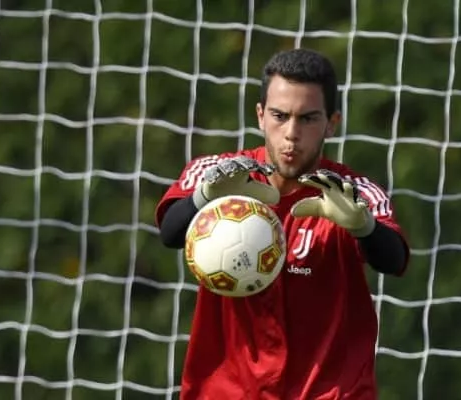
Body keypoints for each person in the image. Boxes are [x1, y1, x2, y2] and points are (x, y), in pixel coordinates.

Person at [155, 48, 410, 400]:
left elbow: (394, 259)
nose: (291, 133)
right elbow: (170, 232)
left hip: (327, 392)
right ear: (260, 116)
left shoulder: (350, 193)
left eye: (308, 119)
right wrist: (205, 196)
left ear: (331, 123)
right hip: (227, 391)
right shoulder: (220, 175)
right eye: (280, 116)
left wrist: (363, 225)